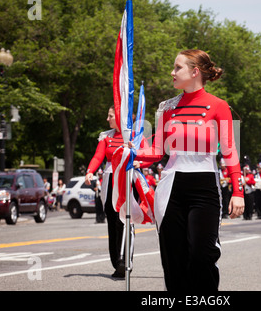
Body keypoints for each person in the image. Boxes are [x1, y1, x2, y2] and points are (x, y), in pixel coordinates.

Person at [131, 49, 245, 291]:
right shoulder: (167, 108)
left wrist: (238, 191)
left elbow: (229, 151)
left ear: (194, 72)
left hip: (205, 187)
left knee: (202, 255)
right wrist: (130, 155)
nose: (172, 73)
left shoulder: (219, 106)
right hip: (170, 186)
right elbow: (156, 151)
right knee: (173, 258)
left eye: (177, 68)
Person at [85, 106, 146, 279]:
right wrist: (90, 171)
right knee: (112, 220)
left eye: (110, 115)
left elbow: (147, 152)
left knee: (126, 221)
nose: (107, 119)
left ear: (119, 117)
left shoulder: (136, 134)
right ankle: (117, 262)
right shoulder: (106, 136)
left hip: (128, 179)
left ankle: (126, 262)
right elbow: (98, 156)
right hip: (111, 179)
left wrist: (140, 162)